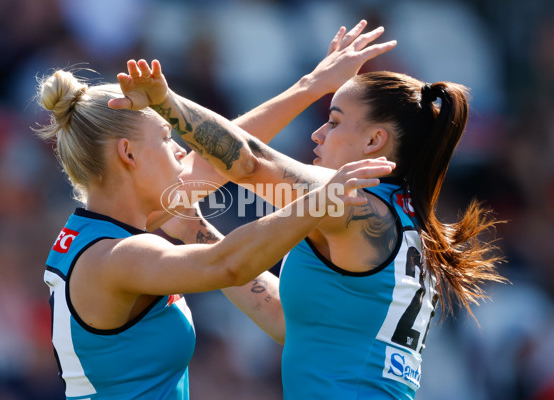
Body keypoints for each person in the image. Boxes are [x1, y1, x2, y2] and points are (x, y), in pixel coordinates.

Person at [109, 24, 505, 400]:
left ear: (373, 140)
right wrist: (195, 229)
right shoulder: (406, 219)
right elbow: (291, 324)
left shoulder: (352, 204)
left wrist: (165, 102)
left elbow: (247, 161)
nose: (318, 134)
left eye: (333, 122)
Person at [34, 24, 396, 400]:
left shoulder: (105, 231)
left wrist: (313, 84)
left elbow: (231, 156)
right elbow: (227, 265)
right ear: (128, 154)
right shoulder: (118, 256)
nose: (180, 151)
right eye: (165, 138)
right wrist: (320, 200)